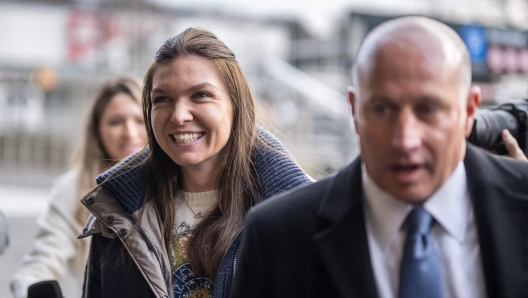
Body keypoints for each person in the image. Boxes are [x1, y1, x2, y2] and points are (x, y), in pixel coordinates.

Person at [231, 16, 528, 298]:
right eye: (382, 110)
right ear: (355, 110)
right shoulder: (278, 237)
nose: (405, 140)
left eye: (428, 109)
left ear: (468, 111)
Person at [78, 27, 312, 298]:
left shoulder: (295, 215)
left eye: (200, 95)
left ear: (237, 105)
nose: (178, 116)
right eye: (162, 99)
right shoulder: (116, 208)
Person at [11, 76, 147, 298]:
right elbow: (40, 263)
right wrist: (34, 289)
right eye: (116, 122)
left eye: (140, 120)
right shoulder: (72, 189)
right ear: (97, 129)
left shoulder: (178, 181)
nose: (130, 132)